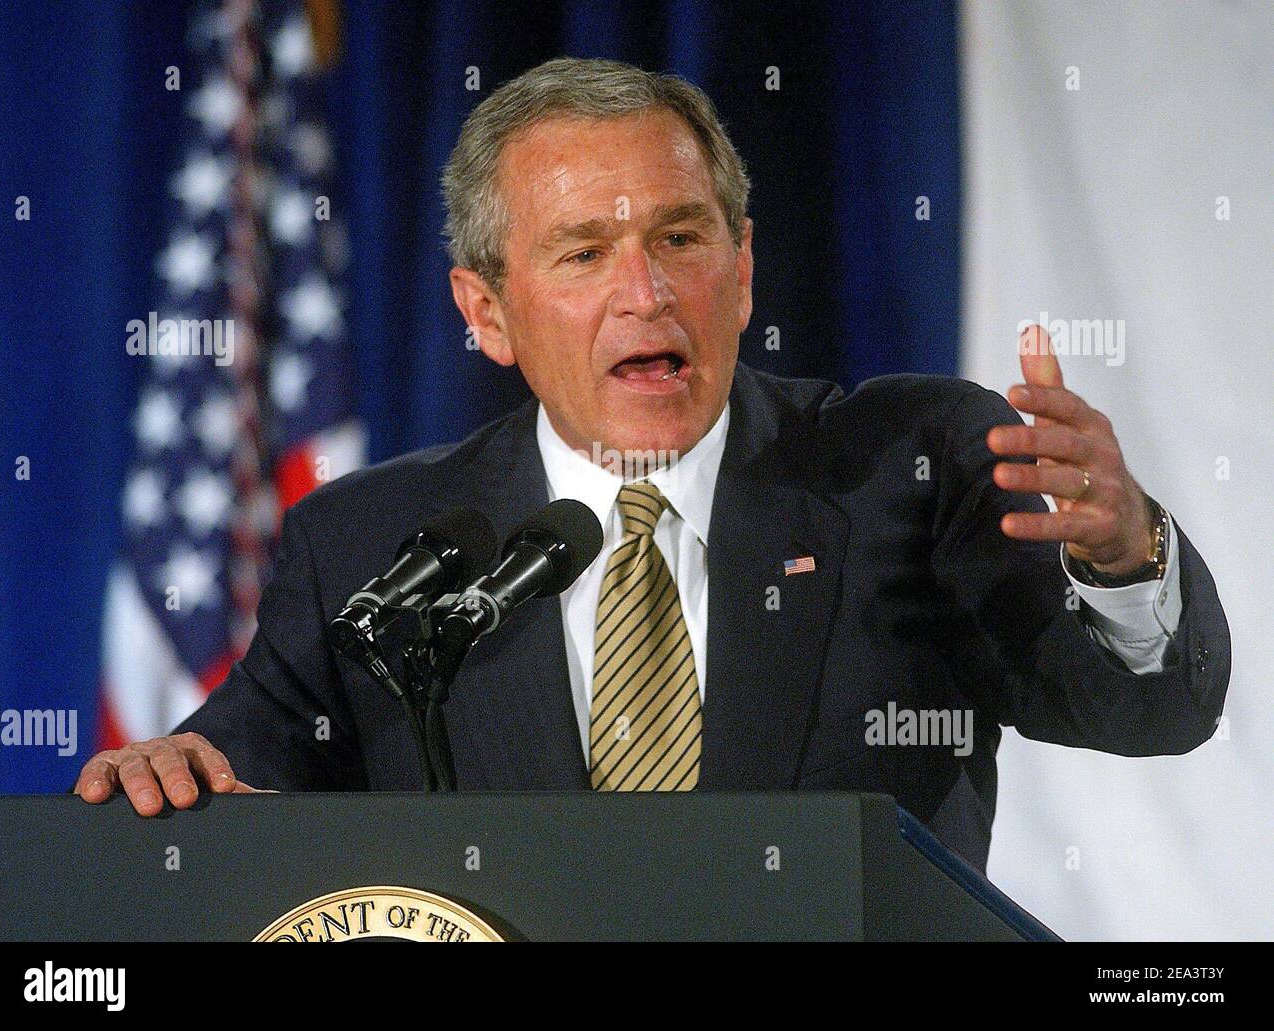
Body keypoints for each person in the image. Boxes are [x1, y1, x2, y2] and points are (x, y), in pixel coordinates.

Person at [74, 58, 1229, 870]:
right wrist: (171, 775)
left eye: (680, 236)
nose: (646, 289)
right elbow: (224, 775)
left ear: (743, 268)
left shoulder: (907, 463)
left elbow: (1148, 706)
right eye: (583, 251)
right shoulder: (369, 543)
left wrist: (1125, 559)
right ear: (486, 312)